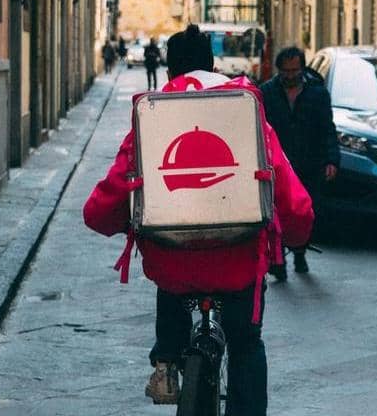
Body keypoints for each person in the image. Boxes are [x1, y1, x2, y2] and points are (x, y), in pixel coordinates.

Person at [83, 24, 313, 416]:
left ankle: (166, 362)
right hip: (239, 263)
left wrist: (114, 220)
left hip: (174, 264)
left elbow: (111, 195)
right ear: (213, 65)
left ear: (171, 71)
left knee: (170, 277)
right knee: (246, 344)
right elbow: (285, 185)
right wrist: (297, 232)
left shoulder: (154, 115)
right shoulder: (244, 108)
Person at [260, 47, 340, 282]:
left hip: (309, 163)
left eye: (295, 70)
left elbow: (327, 128)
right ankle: (279, 261)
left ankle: (300, 252)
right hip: (278, 164)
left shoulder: (318, 94)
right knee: (277, 213)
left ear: (302, 69)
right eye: (285, 71)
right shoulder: (267, 93)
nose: (290, 75)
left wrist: (331, 159)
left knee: (303, 213)